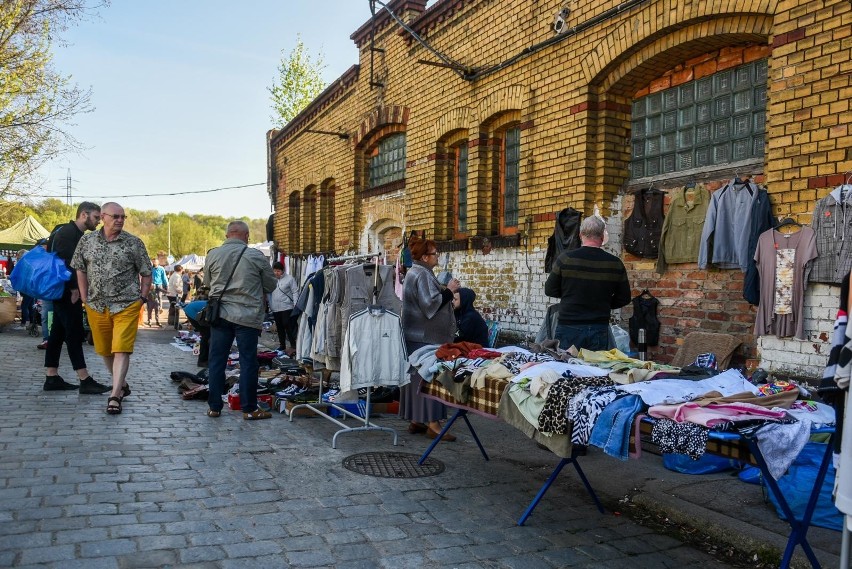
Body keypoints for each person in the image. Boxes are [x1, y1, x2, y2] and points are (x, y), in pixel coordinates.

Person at [71, 202, 152, 414]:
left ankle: (115, 395)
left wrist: (142, 298)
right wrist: (84, 296)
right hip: (96, 305)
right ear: (103, 217)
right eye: (115, 216)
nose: (120, 220)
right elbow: (80, 268)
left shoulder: (134, 243)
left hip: (126, 304)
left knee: (121, 349)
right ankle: (122, 384)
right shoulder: (87, 241)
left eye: (123, 217)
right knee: (105, 350)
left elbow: (146, 271)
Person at [204, 221, 276, 419]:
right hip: (247, 316)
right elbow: (271, 285)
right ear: (246, 236)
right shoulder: (255, 256)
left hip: (220, 314)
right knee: (248, 362)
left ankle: (214, 407)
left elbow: (208, 283)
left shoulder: (213, 254)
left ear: (228, 235)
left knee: (217, 361)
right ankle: (249, 409)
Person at [43, 202, 110, 393]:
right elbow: (68, 263)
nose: (98, 221)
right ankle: (84, 379)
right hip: (66, 291)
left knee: (57, 333)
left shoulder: (68, 232)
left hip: (63, 290)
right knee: (74, 332)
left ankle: (51, 376)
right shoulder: (68, 234)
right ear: (84, 215)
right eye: (96, 217)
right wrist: (75, 288)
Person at [399, 236, 461, 440]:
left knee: (416, 378)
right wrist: (450, 291)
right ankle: (433, 423)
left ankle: (417, 419)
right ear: (425, 257)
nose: (438, 257)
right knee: (429, 377)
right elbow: (430, 305)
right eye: (435, 254)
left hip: (417, 335)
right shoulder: (422, 274)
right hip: (424, 337)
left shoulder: (415, 272)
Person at [544, 215, 631, 351]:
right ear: (602, 236)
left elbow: (549, 290)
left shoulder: (565, 259)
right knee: (595, 369)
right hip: (599, 327)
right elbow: (624, 297)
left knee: (567, 367)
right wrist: (604, 302)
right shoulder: (615, 263)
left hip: (569, 326)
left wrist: (571, 296)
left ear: (580, 235)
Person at [269, 261, 298, 354]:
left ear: (282, 271)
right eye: (275, 271)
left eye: (278, 271)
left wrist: (295, 304)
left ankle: (293, 344)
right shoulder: (271, 280)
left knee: (287, 324)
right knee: (279, 326)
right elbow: (269, 293)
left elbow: (295, 291)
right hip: (275, 307)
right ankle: (282, 345)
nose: (276, 273)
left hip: (287, 306)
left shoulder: (289, 279)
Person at [182, 287, 209, 367]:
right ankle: (202, 360)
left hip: (191, 309)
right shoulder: (216, 306)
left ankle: (204, 359)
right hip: (192, 311)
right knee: (206, 335)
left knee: (206, 334)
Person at [167, 264, 183, 329]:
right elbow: (176, 285)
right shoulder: (177, 276)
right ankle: (175, 323)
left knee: (172, 308)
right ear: (181, 270)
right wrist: (180, 291)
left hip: (171, 293)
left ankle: (171, 321)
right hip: (174, 294)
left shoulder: (174, 275)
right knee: (176, 309)